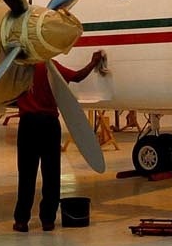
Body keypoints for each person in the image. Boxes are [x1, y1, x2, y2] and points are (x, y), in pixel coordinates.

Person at [13, 50, 106, 232]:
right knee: (51, 175)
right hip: (49, 125)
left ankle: (21, 220)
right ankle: (48, 220)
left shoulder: (19, 69)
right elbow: (78, 77)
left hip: (28, 125)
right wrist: (94, 62)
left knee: (26, 175)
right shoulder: (50, 67)